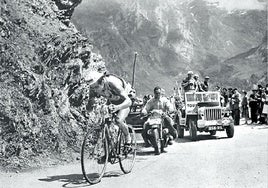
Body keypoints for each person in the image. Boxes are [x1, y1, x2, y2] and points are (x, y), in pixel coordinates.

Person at [83, 70, 133, 150]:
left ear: (102, 80)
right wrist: (90, 110)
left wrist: (117, 107)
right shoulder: (93, 88)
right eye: (92, 87)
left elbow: (129, 102)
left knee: (118, 120)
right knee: (106, 122)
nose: (95, 90)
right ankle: (109, 151)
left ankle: (128, 138)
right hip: (112, 100)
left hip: (125, 100)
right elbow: (90, 105)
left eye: (96, 87)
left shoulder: (113, 83)